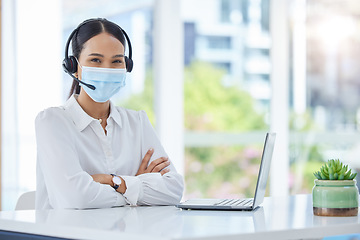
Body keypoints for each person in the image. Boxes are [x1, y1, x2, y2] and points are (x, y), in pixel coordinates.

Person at [35, 18, 184, 209]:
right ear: (74, 66)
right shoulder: (52, 122)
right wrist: (134, 187)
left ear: (126, 67)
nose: (106, 69)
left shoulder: (137, 121)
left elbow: (173, 190)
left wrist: (116, 182)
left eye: (116, 61)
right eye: (95, 60)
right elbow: (76, 198)